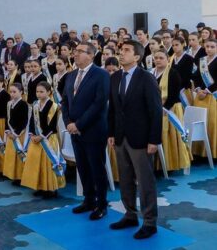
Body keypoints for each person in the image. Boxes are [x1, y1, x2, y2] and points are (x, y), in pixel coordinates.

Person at [108, 40, 162, 239]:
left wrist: (154, 140)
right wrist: (111, 133)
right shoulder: (114, 78)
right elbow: (113, 108)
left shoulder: (146, 78)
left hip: (141, 138)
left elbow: (155, 111)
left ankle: (150, 222)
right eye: (120, 51)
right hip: (121, 137)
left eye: (126, 51)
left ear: (137, 57)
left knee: (146, 181)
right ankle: (130, 214)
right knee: (125, 179)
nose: (121, 54)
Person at [61, 42, 110, 221]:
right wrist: (68, 122)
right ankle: (89, 200)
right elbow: (65, 101)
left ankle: (102, 204)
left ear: (91, 55)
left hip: (93, 129)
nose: (75, 54)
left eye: (80, 52)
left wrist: (79, 124)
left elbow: (99, 103)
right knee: (82, 167)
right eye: (75, 51)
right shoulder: (71, 75)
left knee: (96, 167)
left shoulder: (101, 75)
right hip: (74, 130)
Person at [22, 81, 66, 198]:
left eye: (42, 92)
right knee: (37, 163)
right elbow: (31, 121)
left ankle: (51, 189)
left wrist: (41, 136)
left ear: (49, 92)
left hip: (48, 138)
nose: (39, 94)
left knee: (48, 164)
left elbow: (52, 126)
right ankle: (40, 186)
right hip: (36, 138)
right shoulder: (35, 105)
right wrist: (31, 134)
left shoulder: (54, 106)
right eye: (37, 91)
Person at [151, 49, 191, 171]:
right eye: (156, 58)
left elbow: (174, 94)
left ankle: (171, 164)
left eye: (161, 58)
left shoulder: (173, 73)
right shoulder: (151, 73)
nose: (158, 60)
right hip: (155, 108)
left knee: (168, 135)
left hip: (170, 108)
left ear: (167, 59)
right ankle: (157, 164)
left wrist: (165, 107)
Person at [192, 38, 217, 159]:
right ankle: (200, 152)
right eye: (207, 46)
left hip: (213, 96)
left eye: (212, 47)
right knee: (200, 123)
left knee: (212, 123)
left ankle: (212, 153)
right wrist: (198, 89)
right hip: (200, 96)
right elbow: (195, 77)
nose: (209, 49)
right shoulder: (202, 60)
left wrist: (207, 91)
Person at [3, 83, 30, 183]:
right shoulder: (9, 104)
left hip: (19, 135)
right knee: (11, 155)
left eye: (15, 92)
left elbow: (24, 121)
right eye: (10, 92)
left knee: (19, 155)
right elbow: (7, 118)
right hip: (11, 133)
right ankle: (12, 174)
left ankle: (20, 176)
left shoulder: (23, 105)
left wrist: (16, 133)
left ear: (21, 92)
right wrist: (7, 131)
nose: (12, 94)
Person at [170, 36, 194, 105]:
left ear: (183, 44)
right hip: (173, 89)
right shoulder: (171, 58)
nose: (174, 47)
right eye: (173, 45)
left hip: (184, 89)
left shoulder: (189, 58)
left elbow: (188, 75)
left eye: (177, 45)